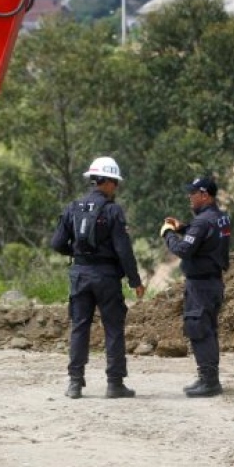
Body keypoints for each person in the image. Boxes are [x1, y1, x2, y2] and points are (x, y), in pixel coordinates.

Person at [50, 156, 145, 399]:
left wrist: (78, 253)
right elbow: (124, 250)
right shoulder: (113, 210)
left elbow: (57, 243)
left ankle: (75, 383)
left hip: (80, 275)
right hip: (106, 278)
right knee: (113, 328)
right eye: (116, 183)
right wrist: (135, 281)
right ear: (109, 182)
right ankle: (114, 384)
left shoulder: (74, 208)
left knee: (80, 327)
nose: (116, 189)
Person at [161, 175, 231, 398]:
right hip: (213, 282)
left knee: (199, 330)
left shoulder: (202, 222)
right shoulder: (221, 218)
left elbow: (183, 250)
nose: (189, 198)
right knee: (208, 331)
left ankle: (209, 382)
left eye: (192, 194)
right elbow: (204, 235)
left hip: (200, 286)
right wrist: (183, 227)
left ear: (204, 195)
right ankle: (208, 378)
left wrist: (168, 233)